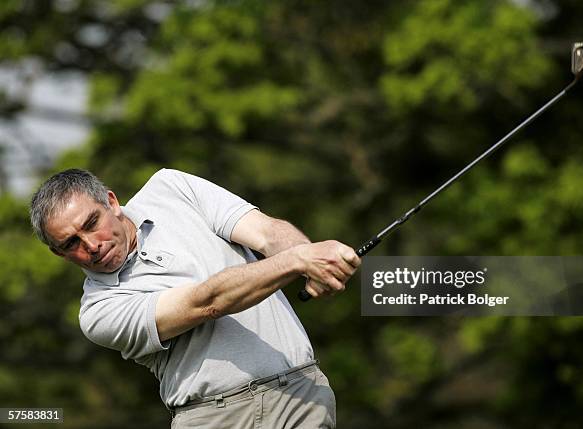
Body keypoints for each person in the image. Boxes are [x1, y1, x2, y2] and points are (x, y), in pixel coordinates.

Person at [29, 168, 360, 428]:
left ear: (112, 203)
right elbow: (206, 303)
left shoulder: (170, 187)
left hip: (300, 394)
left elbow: (267, 232)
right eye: (71, 243)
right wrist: (299, 260)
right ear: (59, 254)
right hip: (212, 417)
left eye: (91, 223)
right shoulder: (98, 311)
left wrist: (315, 265)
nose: (91, 245)